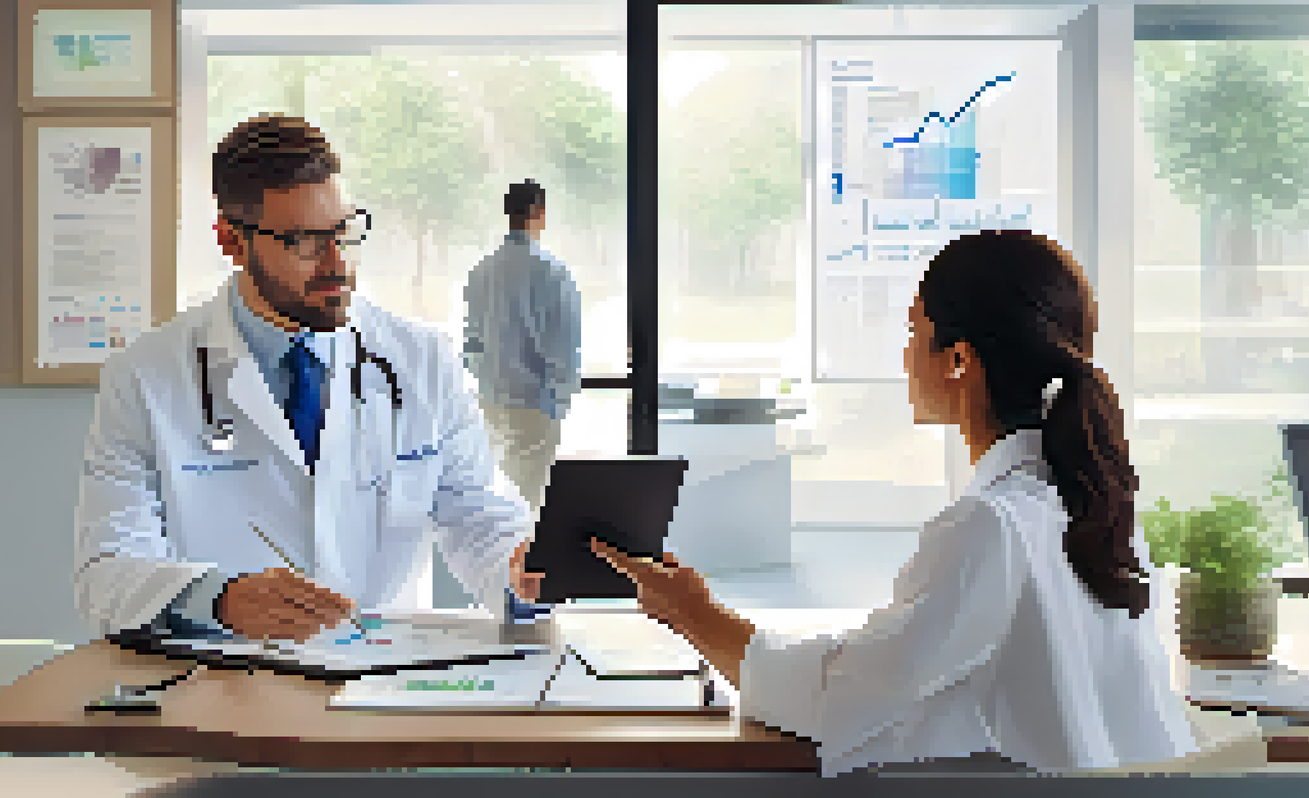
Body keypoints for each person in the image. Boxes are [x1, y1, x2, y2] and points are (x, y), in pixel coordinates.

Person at [595, 230, 1201, 775]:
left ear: (959, 360)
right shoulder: (1091, 503)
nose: (905, 356)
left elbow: (844, 694)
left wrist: (692, 613)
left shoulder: (992, 525)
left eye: (915, 334)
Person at [74, 114, 543, 642]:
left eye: (343, 231)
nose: (336, 263)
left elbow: (474, 510)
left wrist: (515, 566)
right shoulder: (144, 376)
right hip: (224, 679)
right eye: (303, 241)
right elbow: (107, 570)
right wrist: (221, 597)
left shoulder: (421, 359)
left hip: (381, 676)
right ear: (231, 240)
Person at [462, 179, 581, 516]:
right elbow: (564, 347)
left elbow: (471, 343)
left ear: (508, 214)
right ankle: (522, 568)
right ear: (540, 213)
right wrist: (558, 403)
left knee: (494, 502)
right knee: (530, 504)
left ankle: (500, 567)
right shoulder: (553, 273)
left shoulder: (480, 272)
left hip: (489, 403)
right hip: (535, 407)